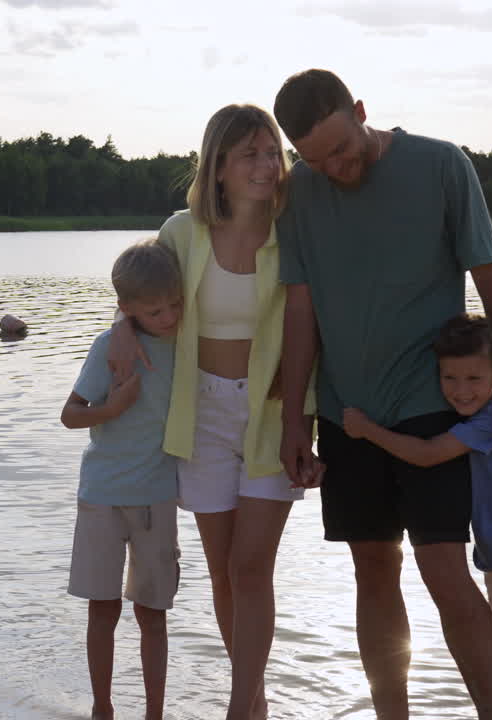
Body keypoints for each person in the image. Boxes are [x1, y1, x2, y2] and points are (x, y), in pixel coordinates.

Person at [273, 68, 492, 720]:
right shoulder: (298, 191)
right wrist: (294, 422)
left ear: (361, 111)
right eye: (316, 159)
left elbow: (490, 279)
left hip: (433, 405)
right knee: (372, 567)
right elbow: (300, 311)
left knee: (444, 569)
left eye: (341, 149)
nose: (334, 168)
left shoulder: (442, 166)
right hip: (346, 412)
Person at [108, 104, 319, 720]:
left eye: (272, 152)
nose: (266, 165)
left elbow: (310, 324)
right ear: (218, 166)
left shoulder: (294, 228)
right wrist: (121, 324)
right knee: (224, 573)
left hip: (273, 415)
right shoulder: (182, 232)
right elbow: (139, 292)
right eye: (250, 154)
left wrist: (303, 421)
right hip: (199, 415)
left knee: (252, 568)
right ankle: (255, 703)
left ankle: (236, 707)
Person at [343, 314, 492, 720]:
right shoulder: (470, 416)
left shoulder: (491, 419)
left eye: (473, 379)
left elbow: (427, 455)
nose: (461, 391)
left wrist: (367, 430)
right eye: (450, 378)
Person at [60, 238, 185, 720]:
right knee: (103, 609)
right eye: (155, 311)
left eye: (174, 305)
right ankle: (103, 709)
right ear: (127, 308)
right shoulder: (109, 348)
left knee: (153, 614)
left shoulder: (187, 344)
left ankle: (155, 713)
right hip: (102, 495)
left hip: (157, 497)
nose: (168, 317)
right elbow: (70, 414)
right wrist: (112, 408)